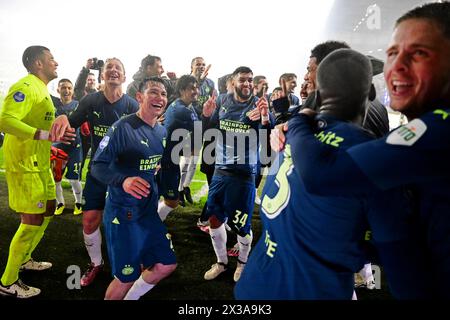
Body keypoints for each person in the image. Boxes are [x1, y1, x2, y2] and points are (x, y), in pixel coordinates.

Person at [270, 1, 450, 298]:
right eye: (393, 53)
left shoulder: (435, 129)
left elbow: (321, 175)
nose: (397, 66)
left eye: (419, 52)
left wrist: (298, 122)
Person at [236, 49, 428, 300]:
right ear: (370, 94)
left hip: (258, 281)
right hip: (312, 288)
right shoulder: (367, 153)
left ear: (318, 93)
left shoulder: (293, 134)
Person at [50, 57, 139, 287]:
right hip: (99, 171)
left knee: (128, 220)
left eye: (117, 68)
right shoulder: (91, 101)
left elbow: (145, 136)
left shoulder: (132, 106)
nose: (112, 70)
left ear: (124, 77)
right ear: (102, 76)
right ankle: (96, 263)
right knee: (90, 220)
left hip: (125, 175)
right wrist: (64, 122)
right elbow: (70, 124)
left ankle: (130, 260)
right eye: (108, 67)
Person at [90, 77, 176, 300]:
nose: (160, 98)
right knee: (126, 277)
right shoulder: (122, 128)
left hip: (147, 213)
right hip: (123, 214)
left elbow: (150, 163)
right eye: (154, 92)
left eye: (164, 94)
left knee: (166, 264)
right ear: (139, 97)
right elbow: (97, 167)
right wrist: (123, 180)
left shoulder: (162, 132)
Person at [0, 46, 74, 298]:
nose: (56, 62)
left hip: (39, 163)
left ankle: (25, 258)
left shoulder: (42, 90)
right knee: (31, 220)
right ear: (37, 63)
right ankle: (8, 282)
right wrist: (43, 135)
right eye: (51, 58)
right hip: (24, 165)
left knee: (49, 209)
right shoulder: (26, 86)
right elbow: (5, 120)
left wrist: (58, 131)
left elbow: (44, 125)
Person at [201, 66, 272, 283]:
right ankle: (221, 262)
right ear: (233, 82)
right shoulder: (222, 100)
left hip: (244, 174)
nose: (248, 84)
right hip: (221, 171)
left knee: (242, 225)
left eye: (250, 80)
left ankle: (242, 263)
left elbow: (269, 138)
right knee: (214, 219)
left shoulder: (260, 104)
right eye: (243, 80)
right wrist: (205, 116)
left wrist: (265, 119)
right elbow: (209, 130)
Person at [157, 75, 201, 220]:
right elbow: (202, 129)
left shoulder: (185, 106)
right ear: (182, 90)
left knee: (162, 198)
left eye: (196, 87)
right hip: (166, 161)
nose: (196, 91)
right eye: (191, 88)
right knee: (171, 201)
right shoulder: (183, 110)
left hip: (169, 158)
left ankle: (149, 225)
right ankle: (151, 226)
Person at [178, 58, 216, 206]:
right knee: (186, 157)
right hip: (189, 120)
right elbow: (186, 99)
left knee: (195, 157)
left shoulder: (210, 83)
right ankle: (179, 189)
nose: (201, 67)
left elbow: (213, 99)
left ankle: (186, 187)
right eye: (198, 64)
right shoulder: (186, 81)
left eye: (203, 65)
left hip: (203, 122)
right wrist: (198, 81)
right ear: (191, 66)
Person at [52, 78, 83, 216]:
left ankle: (78, 202)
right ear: (58, 90)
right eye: (63, 87)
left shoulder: (78, 105)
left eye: (69, 88)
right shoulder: (52, 105)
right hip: (57, 148)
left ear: (73, 91)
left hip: (75, 148)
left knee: (74, 179)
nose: (67, 90)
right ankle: (60, 203)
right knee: (56, 179)